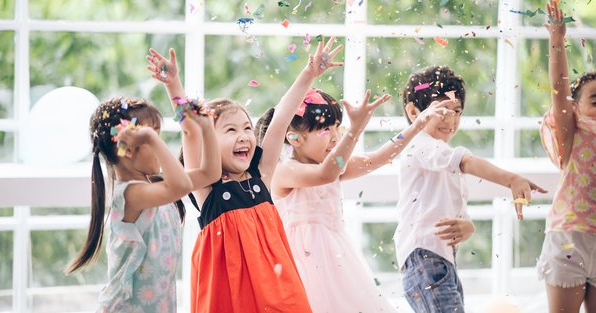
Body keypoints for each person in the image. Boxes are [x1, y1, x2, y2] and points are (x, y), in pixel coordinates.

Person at [146, 37, 343, 312]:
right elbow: (189, 128)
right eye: (231, 130)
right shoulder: (206, 186)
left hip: (279, 292)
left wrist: (309, 73)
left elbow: (281, 119)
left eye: (247, 128)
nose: (244, 137)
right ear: (208, 142)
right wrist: (173, 85)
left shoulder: (262, 174)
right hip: (230, 299)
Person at [255, 80, 451, 311]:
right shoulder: (286, 170)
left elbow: (377, 158)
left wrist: (417, 126)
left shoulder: (335, 166)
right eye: (325, 129)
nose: (336, 137)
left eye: (338, 126)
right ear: (295, 138)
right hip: (301, 262)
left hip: (338, 258)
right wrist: (355, 129)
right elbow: (326, 173)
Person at [396, 65, 547, 313]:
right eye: (442, 110)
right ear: (414, 112)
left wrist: (467, 226)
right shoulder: (419, 145)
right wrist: (510, 180)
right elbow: (464, 161)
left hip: (440, 259)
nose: (451, 119)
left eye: (457, 111)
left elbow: (449, 202)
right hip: (425, 257)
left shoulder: (439, 155)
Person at [64, 96, 220, 312]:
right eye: (152, 137)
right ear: (127, 150)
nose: (160, 144)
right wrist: (149, 138)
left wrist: (207, 128)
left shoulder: (157, 185)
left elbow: (210, 173)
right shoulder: (130, 194)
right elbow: (182, 186)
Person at [537, 1, 596, 312]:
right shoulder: (573, 133)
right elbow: (559, 90)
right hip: (569, 239)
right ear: (576, 108)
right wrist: (557, 41)